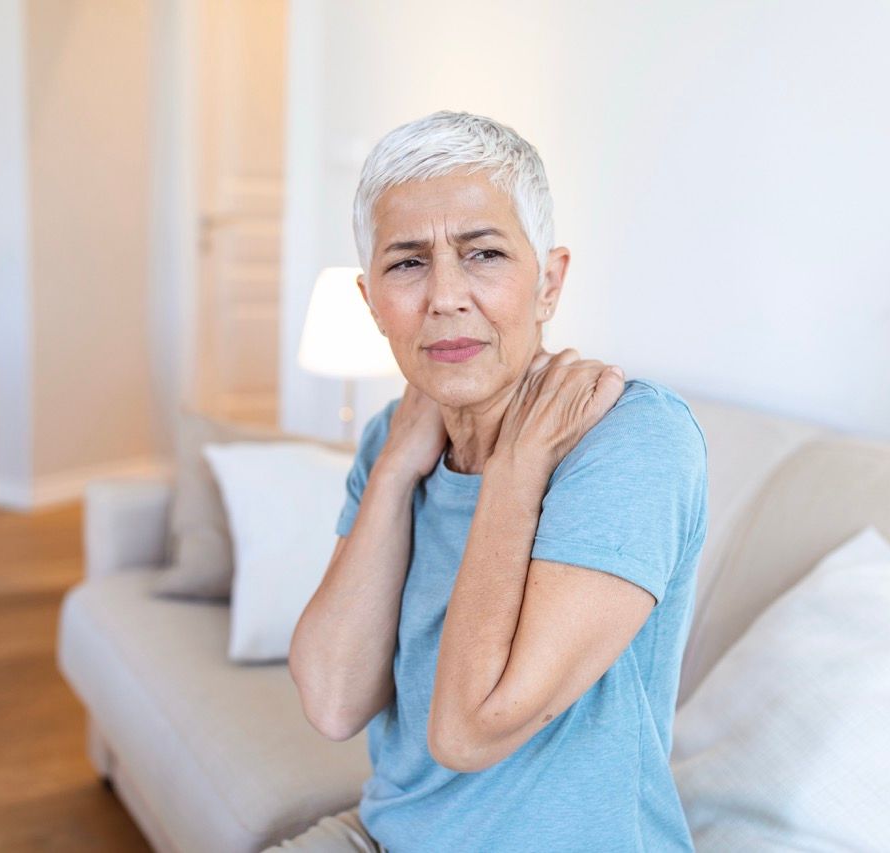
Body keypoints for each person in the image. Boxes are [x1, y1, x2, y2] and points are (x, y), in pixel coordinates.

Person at [269, 110, 708, 852]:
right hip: (387, 835)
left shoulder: (635, 439)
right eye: (407, 262)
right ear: (372, 302)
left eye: (484, 254)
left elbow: (468, 730)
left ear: (549, 283)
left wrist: (515, 469)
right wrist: (394, 469)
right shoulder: (392, 436)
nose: (445, 295)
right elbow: (334, 697)